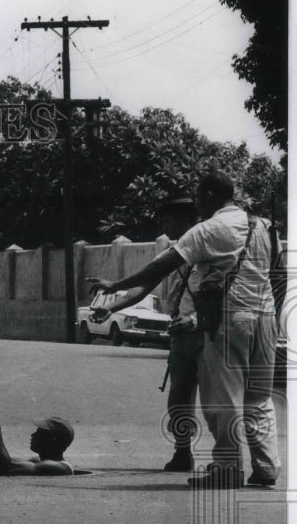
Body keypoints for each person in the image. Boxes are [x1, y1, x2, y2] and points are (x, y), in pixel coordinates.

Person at [90, 170, 279, 489]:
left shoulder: (207, 230)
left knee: (225, 397)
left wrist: (115, 285)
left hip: (231, 319)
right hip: (267, 316)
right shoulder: (263, 226)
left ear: (207, 197)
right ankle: (266, 466)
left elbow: (157, 268)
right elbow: (279, 271)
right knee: (259, 397)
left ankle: (227, 467)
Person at [89, 197, 202, 471]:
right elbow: (145, 285)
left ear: (187, 220)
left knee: (217, 399)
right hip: (182, 334)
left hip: (210, 329)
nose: (164, 226)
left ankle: (226, 458)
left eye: (168, 220)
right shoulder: (173, 253)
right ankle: (182, 450)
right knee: (179, 396)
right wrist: (110, 307)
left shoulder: (209, 247)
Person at [0, 390, 75, 475]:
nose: (33, 435)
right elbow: (4, 460)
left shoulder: (58, 467)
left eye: (40, 433)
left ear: (52, 441)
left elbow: (4, 466)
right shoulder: (41, 460)